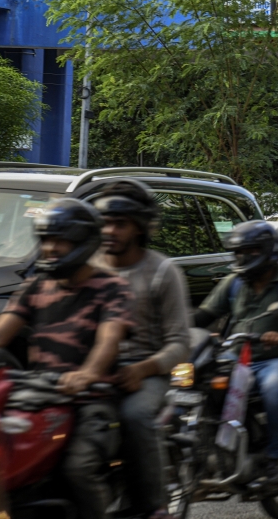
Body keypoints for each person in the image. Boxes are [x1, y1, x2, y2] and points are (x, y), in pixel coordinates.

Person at [0, 199, 135, 519]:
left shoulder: (111, 288)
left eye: (60, 241)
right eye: (46, 240)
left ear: (82, 242)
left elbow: (109, 339)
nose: (50, 248)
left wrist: (87, 373)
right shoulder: (35, 285)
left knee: (79, 468)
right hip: (38, 392)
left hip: (90, 397)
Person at [91, 179, 190, 519]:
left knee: (134, 416)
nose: (110, 231)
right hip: (94, 368)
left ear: (139, 227)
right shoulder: (87, 269)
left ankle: (152, 506)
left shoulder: (164, 272)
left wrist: (143, 369)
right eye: (105, 222)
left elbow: (180, 343)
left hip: (147, 374)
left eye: (120, 223)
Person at [193, 220, 278, 483]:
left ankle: (275, 458)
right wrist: (173, 328)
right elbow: (204, 315)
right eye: (238, 252)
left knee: (274, 390)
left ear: (267, 251)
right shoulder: (233, 283)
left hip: (277, 358)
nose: (242, 258)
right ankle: (207, 450)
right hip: (234, 357)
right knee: (199, 384)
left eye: (248, 251)